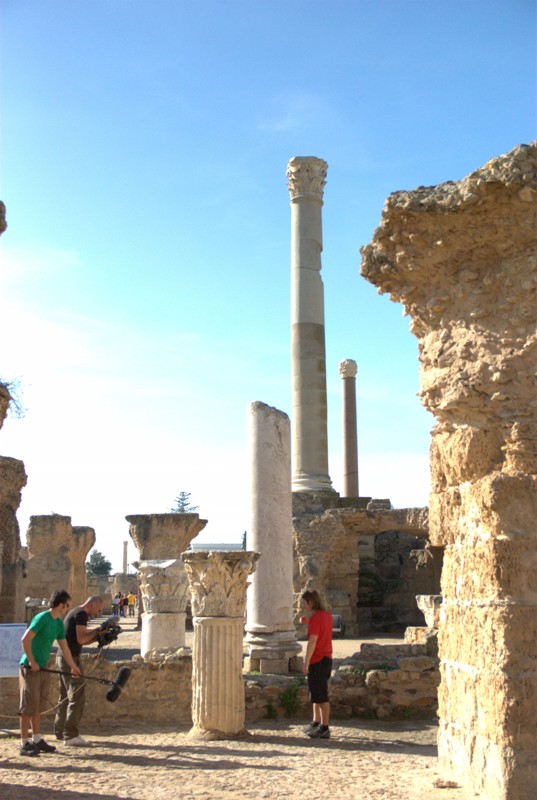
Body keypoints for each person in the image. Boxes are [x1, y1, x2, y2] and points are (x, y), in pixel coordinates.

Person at [19, 589, 81, 757]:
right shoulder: (42, 618)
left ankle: (37, 739)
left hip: (43, 667)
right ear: (60, 605)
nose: (68, 608)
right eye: (67, 605)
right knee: (27, 707)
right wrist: (32, 661)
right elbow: (25, 639)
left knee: (38, 706)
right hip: (29, 667)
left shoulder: (58, 623)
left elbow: (64, 647)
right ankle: (24, 742)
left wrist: (73, 666)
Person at [54, 594, 104, 746]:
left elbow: (79, 639)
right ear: (93, 604)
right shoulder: (81, 614)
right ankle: (70, 735)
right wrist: (98, 630)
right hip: (70, 659)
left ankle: (60, 731)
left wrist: (99, 636)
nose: (98, 613)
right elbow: (81, 639)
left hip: (61, 657)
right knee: (77, 696)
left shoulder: (75, 612)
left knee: (64, 696)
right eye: (99, 610)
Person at [300, 589, 333, 740]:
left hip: (317, 660)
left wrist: (305, 662)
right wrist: (308, 622)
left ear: (311, 602)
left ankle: (324, 727)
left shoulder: (315, 619)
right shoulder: (326, 615)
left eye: (304, 603)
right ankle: (316, 722)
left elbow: (312, 641)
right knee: (315, 693)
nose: (302, 605)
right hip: (326, 658)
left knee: (321, 695)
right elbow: (321, 627)